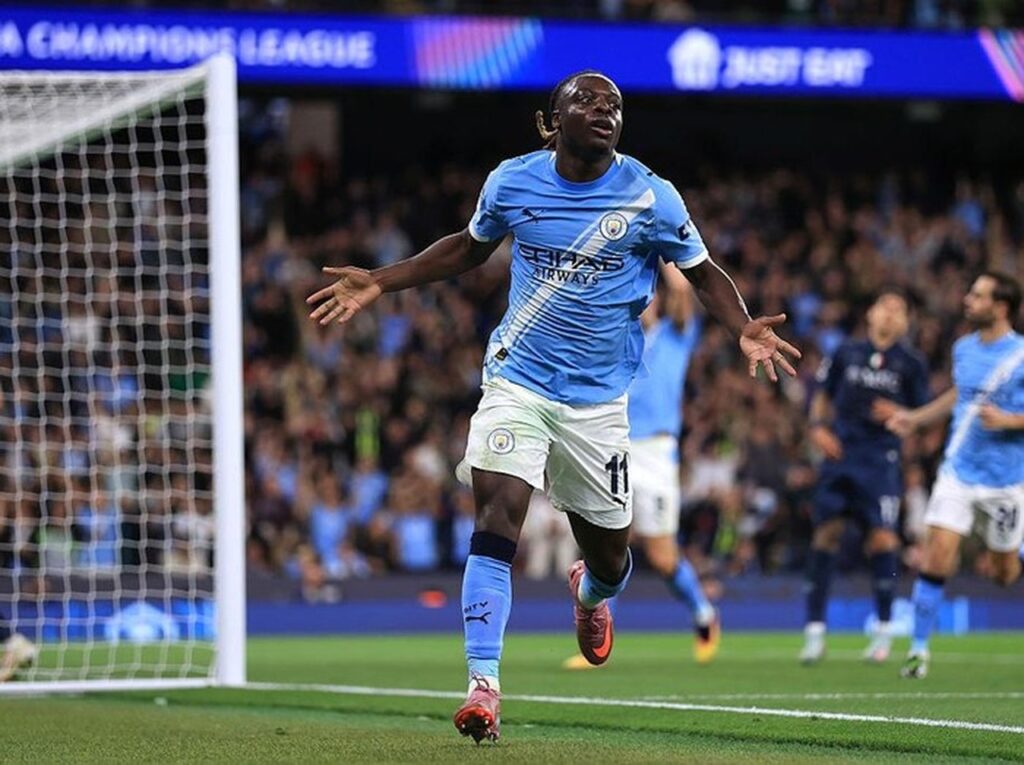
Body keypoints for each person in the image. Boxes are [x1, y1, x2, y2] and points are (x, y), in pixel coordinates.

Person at [307, 70, 800, 743]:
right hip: (518, 382)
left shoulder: (651, 195)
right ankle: (483, 685)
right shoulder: (512, 181)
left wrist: (742, 325)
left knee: (613, 563)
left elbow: (704, 272)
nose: (605, 110)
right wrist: (382, 281)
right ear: (552, 119)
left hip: (599, 406)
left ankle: (589, 593)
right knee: (496, 519)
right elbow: (467, 247)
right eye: (587, 101)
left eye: (615, 104)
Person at [564, 263, 719, 671]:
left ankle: (704, 615)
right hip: (617, 446)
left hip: (657, 454)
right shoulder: (617, 345)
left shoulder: (674, 335)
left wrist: (666, 254)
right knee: (608, 545)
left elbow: (682, 294)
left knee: (663, 558)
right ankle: (598, 633)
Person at [884, 272, 1024, 679]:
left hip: (1005, 481)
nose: (968, 300)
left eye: (978, 296)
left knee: (1003, 575)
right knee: (937, 554)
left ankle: (1014, 551)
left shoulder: (1020, 354)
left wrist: (1009, 421)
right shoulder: (963, 348)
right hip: (958, 472)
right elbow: (959, 394)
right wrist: (915, 418)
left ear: (1000, 307)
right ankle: (918, 650)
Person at [800, 288, 929, 664]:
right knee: (826, 534)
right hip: (840, 454)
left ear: (905, 322)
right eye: (884, 307)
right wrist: (817, 428)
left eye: (898, 310)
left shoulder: (911, 363)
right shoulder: (846, 352)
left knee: (883, 538)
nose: (890, 314)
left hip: (881, 460)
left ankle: (884, 631)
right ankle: (814, 632)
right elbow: (822, 394)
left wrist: (904, 417)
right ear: (870, 314)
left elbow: (923, 416)